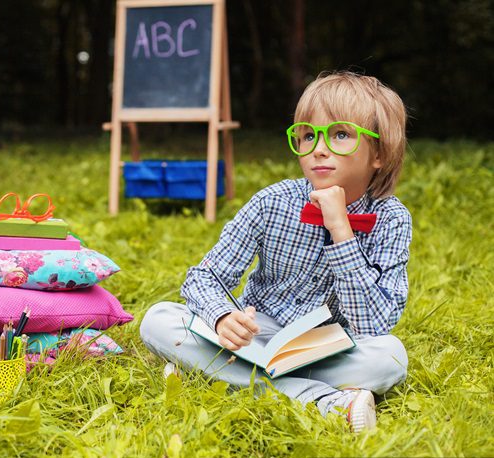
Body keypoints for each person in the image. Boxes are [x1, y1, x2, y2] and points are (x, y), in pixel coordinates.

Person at [139, 71, 411, 432]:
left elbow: (373, 325)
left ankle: (213, 374)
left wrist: (342, 232)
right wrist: (222, 316)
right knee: (158, 319)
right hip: (256, 334)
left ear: (378, 153)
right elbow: (206, 277)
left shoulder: (392, 219)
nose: (319, 148)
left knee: (390, 357)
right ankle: (328, 402)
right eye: (309, 135)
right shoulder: (272, 202)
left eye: (341, 135)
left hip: (326, 348)